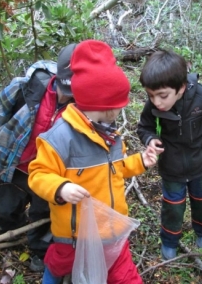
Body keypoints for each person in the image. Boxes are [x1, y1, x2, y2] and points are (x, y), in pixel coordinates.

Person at [28, 39, 158, 283]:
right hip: (75, 235)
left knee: (125, 275)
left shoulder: (110, 133)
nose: (119, 112)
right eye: (118, 107)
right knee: (60, 263)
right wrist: (61, 187)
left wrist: (141, 161)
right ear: (105, 107)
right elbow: (37, 174)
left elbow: (116, 169)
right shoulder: (60, 137)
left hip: (113, 230)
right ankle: (52, 276)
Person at [0, 43, 78, 272]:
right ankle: (15, 231)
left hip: (49, 171)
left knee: (43, 215)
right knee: (0, 207)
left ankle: (39, 250)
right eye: (64, 88)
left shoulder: (84, 106)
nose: (66, 96)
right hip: (12, 163)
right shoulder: (28, 87)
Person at [136, 49, 202, 260]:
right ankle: (169, 241)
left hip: (201, 164)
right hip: (172, 167)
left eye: (163, 96)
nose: (157, 102)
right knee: (173, 208)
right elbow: (144, 127)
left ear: (181, 87)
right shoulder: (152, 106)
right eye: (151, 95)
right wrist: (150, 139)